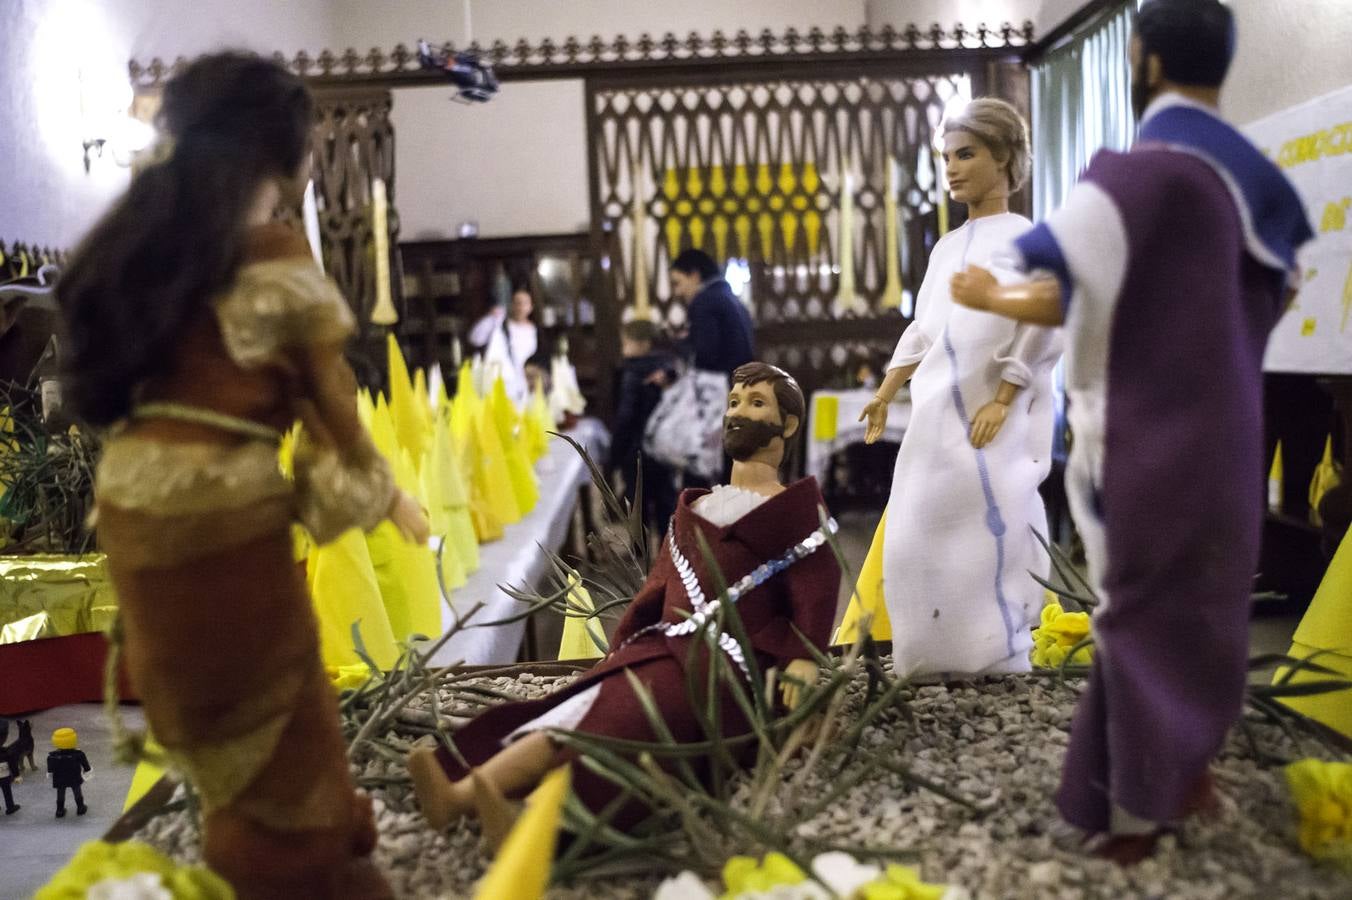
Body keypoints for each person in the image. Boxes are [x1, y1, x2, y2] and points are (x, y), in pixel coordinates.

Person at [949, 0, 1313, 862]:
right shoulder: (1255, 175)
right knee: (1209, 606)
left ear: (1142, 61)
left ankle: (1128, 813)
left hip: (1148, 431)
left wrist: (991, 298)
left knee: (1137, 613)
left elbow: (1065, 284)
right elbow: (1286, 285)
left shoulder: (1137, 175)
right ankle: (1186, 770)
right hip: (1229, 428)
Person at [58, 52, 428, 897]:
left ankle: (259, 843)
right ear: (287, 154)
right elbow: (330, 416)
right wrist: (383, 497)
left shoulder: (149, 250)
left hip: (135, 503)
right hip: (221, 514)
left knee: (211, 708)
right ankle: (302, 866)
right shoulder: (270, 257)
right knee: (281, 706)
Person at [408, 362, 840, 835]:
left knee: (627, 726)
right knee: (574, 708)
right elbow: (658, 587)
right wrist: (624, 643)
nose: (738, 413)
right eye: (734, 402)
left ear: (789, 425)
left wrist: (802, 658)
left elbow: (816, 590)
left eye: (757, 404)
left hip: (725, 672)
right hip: (660, 650)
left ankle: (539, 820)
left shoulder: (795, 515)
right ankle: (465, 793)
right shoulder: (698, 507)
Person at [854, 98, 1061, 677]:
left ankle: (997, 652)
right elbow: (925, 328)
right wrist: (888, 388)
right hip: (933, 421)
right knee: (914, 532)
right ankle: (926, 653)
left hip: (990, 423)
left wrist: (1005, 396)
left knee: (993, 533)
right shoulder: (946, 248)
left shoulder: (1028, 240)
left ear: (1004, 157)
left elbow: (1043, 324)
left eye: (966, 154)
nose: (952, 167)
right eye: (947, 156)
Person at [611, 319, 678, 537]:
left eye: (625, 343)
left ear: (641, 344)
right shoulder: (670, 368)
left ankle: (640, 554)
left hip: (636, 451)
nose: (623, 349)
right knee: (665, 502)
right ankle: (668, 550)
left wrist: (614, 454)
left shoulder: (634, 372)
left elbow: (626, 417)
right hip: (665, 448)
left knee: (638, 504)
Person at [669, 249, 755, 380]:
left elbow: (706, 355)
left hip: (720, 387)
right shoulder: (728, 296)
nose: (677, 292)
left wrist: (684, 344)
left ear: (694, 276)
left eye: (678, 283)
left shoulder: (705, 301)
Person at [469, 286, 538, 402]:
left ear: (531, 307)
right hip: (498, 382)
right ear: (512, 305)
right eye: (517, 303)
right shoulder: (500, 325)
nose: (520, 307)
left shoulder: (535, 331)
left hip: (522, 384)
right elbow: (475, 339)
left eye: (524, 303)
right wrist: (491, 318)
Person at [46, 728, 90, 818]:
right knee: (77, 791)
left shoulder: (52, 756)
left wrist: (50, 773)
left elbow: (50, 768)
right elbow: (85, 764)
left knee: (60, 793)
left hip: (59, 778)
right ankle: (80, 807)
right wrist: (87, 770)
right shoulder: (78, 754)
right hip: (74, 777)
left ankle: (59, 810)